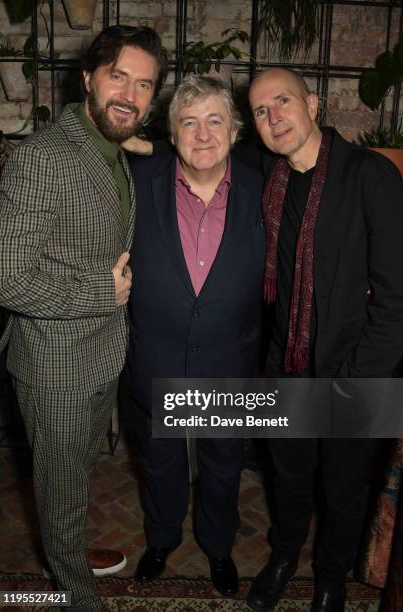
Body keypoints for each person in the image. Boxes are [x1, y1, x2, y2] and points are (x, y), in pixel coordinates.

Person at [0, 25, 167, 612]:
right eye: (118, 76)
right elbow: (5, 278)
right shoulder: (43, 158)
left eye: (144, 85)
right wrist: (103, 289)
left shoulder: (111, 148)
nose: (131, 94)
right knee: (60, 484)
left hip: (101, 355)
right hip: (56, 365)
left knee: (70, 479)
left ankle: (64, 548)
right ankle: (75, 593)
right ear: (88, 77)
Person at [246, 67, 403, 612]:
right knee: (288, 477)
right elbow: (198, 151)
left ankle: (330, 577)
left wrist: (359, 381)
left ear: (314, 103)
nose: (273, 118)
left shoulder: (371, 176)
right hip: (286, 363)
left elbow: (395, 296)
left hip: (356, 369)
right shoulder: (268, 174)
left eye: (283, 102)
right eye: (261, 111)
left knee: (344, 489)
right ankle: (284, 556)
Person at [121, 75, 266, 596]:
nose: (202, 134)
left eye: (214, 121)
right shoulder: (137, 179)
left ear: (234, 131)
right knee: (159, 461)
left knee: (223, 465)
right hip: (156, 357)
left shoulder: (264, 186)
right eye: (188, 122)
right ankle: (160, 539)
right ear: (171, 132)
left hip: (230, 360)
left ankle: (219, 546)